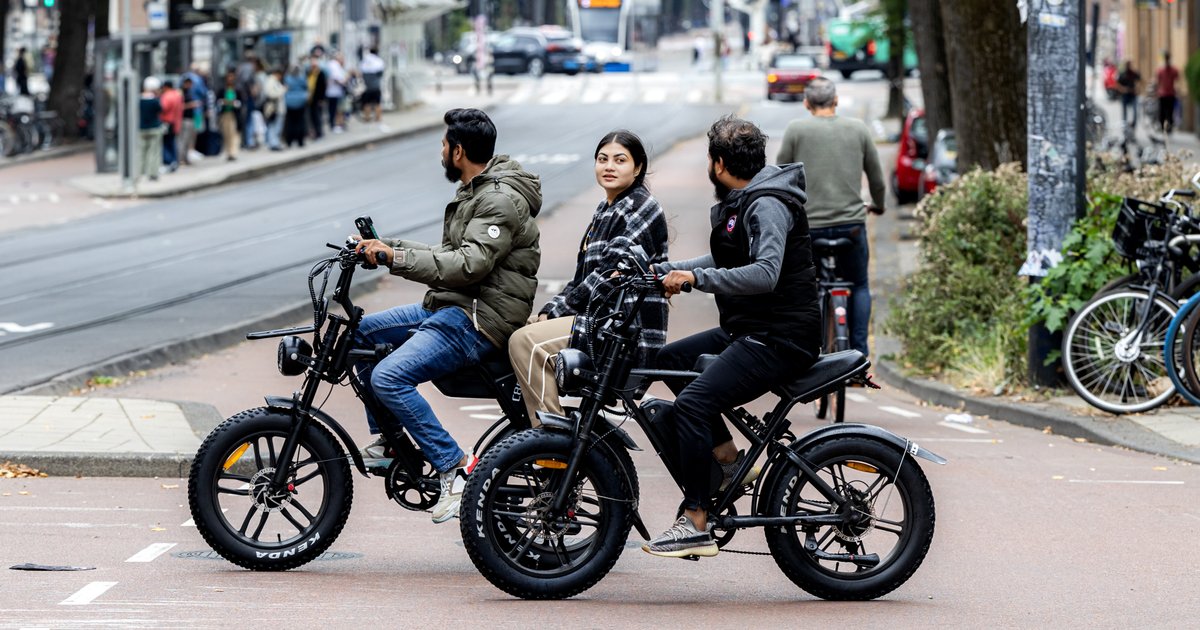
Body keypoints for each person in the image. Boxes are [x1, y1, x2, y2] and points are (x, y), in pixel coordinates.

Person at [352, 108, 542, 524]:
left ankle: (454, 466)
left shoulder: (498, 200)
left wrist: (395, 257)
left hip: (478, 317)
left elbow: (468, 266)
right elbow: (449, 256)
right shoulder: (476, 189)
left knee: (388, 376)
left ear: (458, 151)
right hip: (453, 303)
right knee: (360, 335)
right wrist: (384, 246)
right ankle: (389, 441)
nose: (440, 151)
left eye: (443, 145)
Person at [643, 115, 820, 558]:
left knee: (692, 405)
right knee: (671, 361)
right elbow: (727, 253)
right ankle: (728, 461)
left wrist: (694, 279)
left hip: (779, 337)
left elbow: (764, 272)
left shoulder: (767, 204)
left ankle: (696, 519)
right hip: (750, 329)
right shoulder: (748, 198)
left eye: (709, 158)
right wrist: (666, 270)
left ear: (719, 163)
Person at [508, 130, 669, 422]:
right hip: (601, 320)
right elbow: (582, 278)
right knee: (516, 329)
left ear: (638, 168)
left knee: (525, 343)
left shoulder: (640, 208)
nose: (609, 166)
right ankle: (531, 433)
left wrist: (557, 311)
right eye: (602, 159)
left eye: (620, 160)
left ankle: (549, 442)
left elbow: (608, 274)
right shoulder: (606, 209)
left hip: (623, 331)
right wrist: (549, 311)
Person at [775, 77, 885, 358]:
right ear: (836, 101)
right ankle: (859, 355)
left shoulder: (796, 130)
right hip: (852, 227)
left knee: (803, 285)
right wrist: (878, 205)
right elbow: (877, 179)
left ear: (806, 103)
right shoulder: (858, 129)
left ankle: (804, 350)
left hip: (809, 228)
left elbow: (780, 175)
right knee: (859, 284)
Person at [137, 76, 164, 183]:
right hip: (154, 128)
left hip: (142, 128)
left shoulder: (139, 100)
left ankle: (140, 172)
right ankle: (153, 173)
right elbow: (160, 110)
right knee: (154, 152)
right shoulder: (155, 101)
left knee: (141, 151)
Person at [217, 70, 243, 161]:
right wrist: (224, 102)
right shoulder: (222, 89)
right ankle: (228, 152)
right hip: (225, 114)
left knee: (234, 133)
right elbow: (218, 101)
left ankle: (233, 152)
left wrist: (233, 103)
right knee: (226, 134)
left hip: (234, 114)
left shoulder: (237, 89)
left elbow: (241, 103)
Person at [158, 79, 183, 172]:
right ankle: (174, 161)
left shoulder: (167, 96)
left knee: (165, 143)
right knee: (172, 142)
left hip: (166, 122)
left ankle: (168, 162)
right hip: (175, 122)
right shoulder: (177, 95)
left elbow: (163, 108)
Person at [283, 64, 309, 147]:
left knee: (290, 122)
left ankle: (289, 141)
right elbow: (306, 87)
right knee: (300, 121)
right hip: (300, 101)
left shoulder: (287, 78)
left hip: (290, 101)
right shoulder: (302, 78)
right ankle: (300, 141)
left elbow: (286, 87)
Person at [261, 67, 286, 151]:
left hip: (278, 108)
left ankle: (275, 142)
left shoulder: (275, 81)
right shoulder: (270, 81)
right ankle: (273, 143)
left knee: (277, 126)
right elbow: (270, 94)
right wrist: (282, 90)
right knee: (273, 126)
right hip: (274, 108)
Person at [179, 76, 201, 165]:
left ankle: (185, 158)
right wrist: (191, 105)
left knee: (189, 140)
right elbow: (180, 106)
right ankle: (181, 159)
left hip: (191, 118)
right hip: (184, 119)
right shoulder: (181, 93)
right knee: (183, 139)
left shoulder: (189, 92)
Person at [1156, 51, 1179, 135]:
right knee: (1163, 112)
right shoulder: (1161, 70)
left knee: (1169, 112)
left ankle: (1168, 127)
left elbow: (1177, 80)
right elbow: (1158, 81)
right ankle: (1164, 127)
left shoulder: (1173, 70)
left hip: (1170, 93)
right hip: (1163, 94)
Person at [359, 48, 385, 123]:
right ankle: (378, 117)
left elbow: (361, 71)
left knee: (367, 103)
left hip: (367, 85)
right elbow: (380, 73)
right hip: (376, 85)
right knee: (377, 103)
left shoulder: (365, 60)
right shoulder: (378, 61)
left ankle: (367, 117)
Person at [325, 52, 348, 132]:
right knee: (334, 109)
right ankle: (333, 125)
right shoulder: (334, 65)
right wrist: (343, 82)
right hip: (333, 91)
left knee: (334, 109)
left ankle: (336, 124)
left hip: (334, 91)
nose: (343, 60)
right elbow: (336, 78)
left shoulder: (334, 65)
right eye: (342, 58)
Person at [306, 54, 327, 140]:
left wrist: (322, 99)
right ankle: (313, 132)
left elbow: (323, 87)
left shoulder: (320, 73)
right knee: (311, 116)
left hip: (317, 99)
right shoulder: (309, 73)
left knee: (317, 116)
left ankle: (319, 132)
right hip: (310, 98)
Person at [1118, 61, 1141, 129]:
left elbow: (1140, 80)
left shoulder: (1133, 73)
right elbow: (1117, 84)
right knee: (1125, 112)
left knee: (1135, 111)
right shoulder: (1122, 74)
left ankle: (1133, 124)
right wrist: (1123, 89)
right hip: (1125, 95)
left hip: (1133, 94)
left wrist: (1137, 89)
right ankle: (1124, 125)